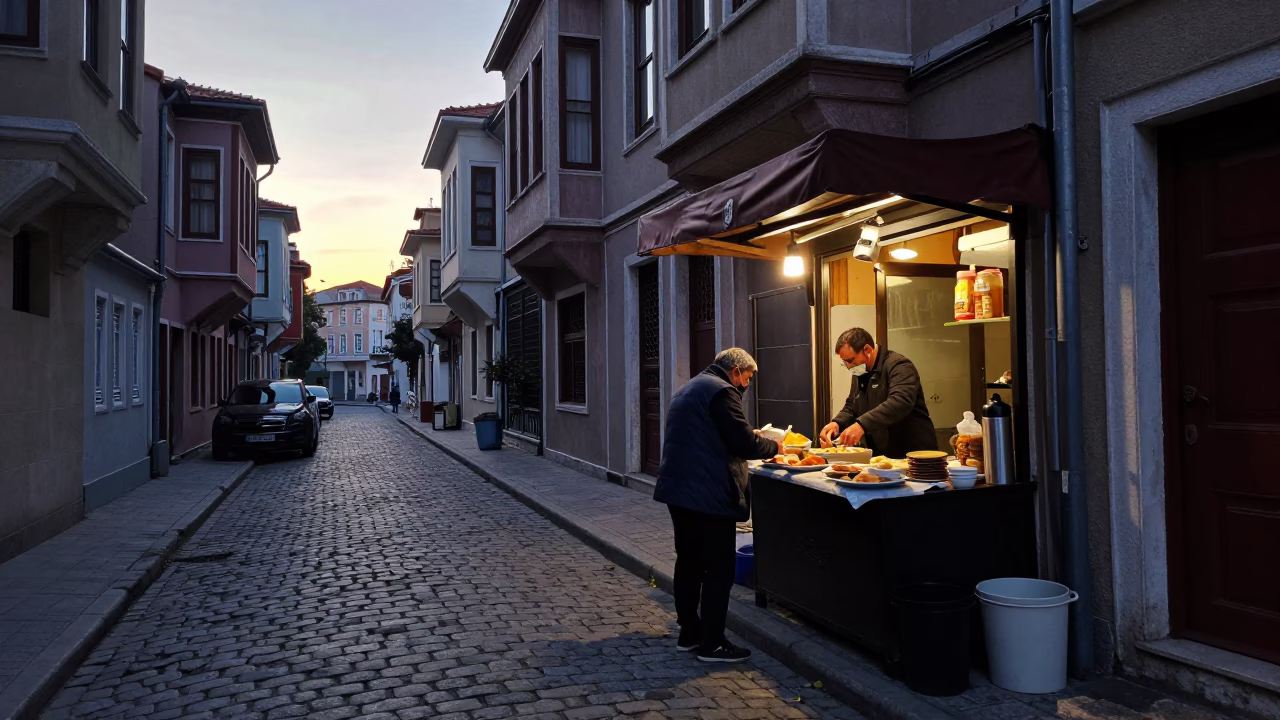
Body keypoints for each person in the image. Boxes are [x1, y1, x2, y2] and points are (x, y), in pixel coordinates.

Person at [653, 348, 780, 664]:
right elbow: (743, 443)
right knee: (719, 569)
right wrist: (776, 445)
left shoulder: (690, 387)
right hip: (708, 495)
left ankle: (689, 633)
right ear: (736, 371)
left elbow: (711, 433)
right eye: (747, 378)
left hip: (678, 491)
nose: (746, 384)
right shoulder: (722, 391)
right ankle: (712, 643)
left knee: (689, 563)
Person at [819, 327, 936, 458]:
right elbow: (852, 404)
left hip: (914, 455)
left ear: (867, 349)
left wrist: (861, 425)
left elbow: (900, 402)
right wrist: (837, 423)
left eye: (850, 360)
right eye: (844, 362)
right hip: (882, 456)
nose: (849, 367)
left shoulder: (899, 365)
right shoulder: (860, 372)